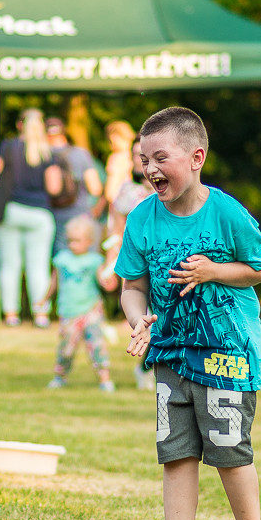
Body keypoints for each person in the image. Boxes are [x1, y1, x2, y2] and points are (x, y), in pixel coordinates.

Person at [114, 107, 261, 520]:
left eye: (160, 158)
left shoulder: (224, 212)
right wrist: (138, 317)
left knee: (229, 453)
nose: (150, 169)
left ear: (196, 157)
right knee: (177, 454)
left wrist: (213, 271)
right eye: (144, 160)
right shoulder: (142, 216)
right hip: (171, 353)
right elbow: (131, 286)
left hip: (227, 352)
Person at [0, 108, 62, 328]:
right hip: (39, 214)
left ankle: (11, 314)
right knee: (38, 265)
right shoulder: (48, 153)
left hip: (11, 211)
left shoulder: (8, 147)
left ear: (19, 125)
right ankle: (40, 315)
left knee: (9, 265)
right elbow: (54, 188)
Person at [36, 215, 116, 392]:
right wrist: (44, 299)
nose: (73, 245)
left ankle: (105, 378)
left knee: (97, 345)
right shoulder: (62, 259)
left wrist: (108, 282)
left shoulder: (95, 260)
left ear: (89, 241)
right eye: (70, 240)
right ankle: (60, 376)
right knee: (66, 348)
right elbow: (54, 282)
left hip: (91, 309)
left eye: (77, 241)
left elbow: (102, 280)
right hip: (69, 310)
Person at [107, 138, 156, 391]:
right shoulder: (128, 192)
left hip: (164, 263)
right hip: (137, 265)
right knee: (146, 317)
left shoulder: (173, 191)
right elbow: (116, 229)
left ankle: (148, 367)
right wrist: (110, 263)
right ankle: (145, 366)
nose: (141, 160)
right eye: (137, 154)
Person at [45, 117, 106, 255]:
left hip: (52, 216)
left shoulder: (43, 155)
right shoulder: (80, 154)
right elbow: (95, 188)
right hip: (79, 214)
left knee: (60, 261)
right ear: (64, 132)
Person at [102, 120, 136, 210]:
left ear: (115, 137)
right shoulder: (140, 154)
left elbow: (110, 192)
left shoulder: (116, 158)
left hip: (121, 205)